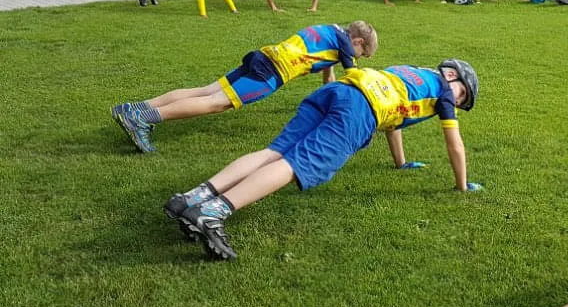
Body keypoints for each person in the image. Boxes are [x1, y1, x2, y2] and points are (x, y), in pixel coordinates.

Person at [165, 60, 484, 261]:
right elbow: (454, 145)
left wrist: (400, 163)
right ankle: (212, 213)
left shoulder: (413, 73)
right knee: (295, 165)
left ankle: (191, 198)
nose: (457, 102)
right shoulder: (442, 93)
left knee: (275, 151)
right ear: (451, 75)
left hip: (339, 90)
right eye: (462, 94)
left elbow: (393, 123)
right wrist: (462, 186)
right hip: (359, 110)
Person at [111, 22, 378, 153]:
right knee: (217, 103)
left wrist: (327, 102)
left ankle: (133, 108)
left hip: (262, 56)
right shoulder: (346, 45)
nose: (358, 57)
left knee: (206, 91)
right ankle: (141, 119)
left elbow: (328, 75)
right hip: (272, 72)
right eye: (362, 53)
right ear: (357, 42)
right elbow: (353, 78)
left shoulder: (330, 31)